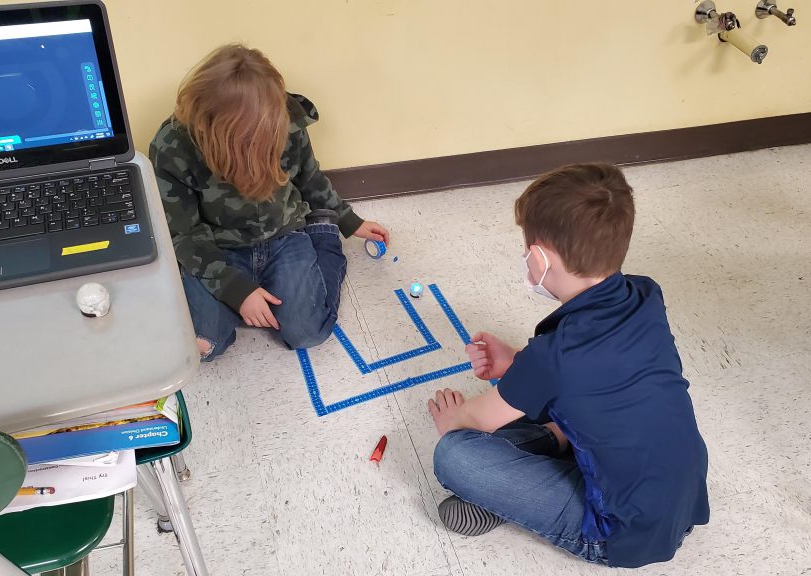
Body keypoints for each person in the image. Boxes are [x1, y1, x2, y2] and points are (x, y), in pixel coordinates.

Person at [426, 164, 709, 568]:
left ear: (540, 259)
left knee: (454, 455)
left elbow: (471, 422)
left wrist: (452, 420)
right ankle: (552, 445)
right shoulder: (646, 294)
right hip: (682, 497)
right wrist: (515, 366)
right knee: (562, 408)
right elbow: (600, 372)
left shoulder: (553, 358)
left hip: (620, 534)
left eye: (527, 252)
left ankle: (510, 495)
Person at [149, 44, 388, 360]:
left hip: (283, 237)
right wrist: (237, 291)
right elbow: (184, 233)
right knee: (208, 341)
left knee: (307, 332)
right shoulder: (174, 144)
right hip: (218, 247)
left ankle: (323, 232)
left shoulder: (285, 121)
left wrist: (348, 220)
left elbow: (310, 178)